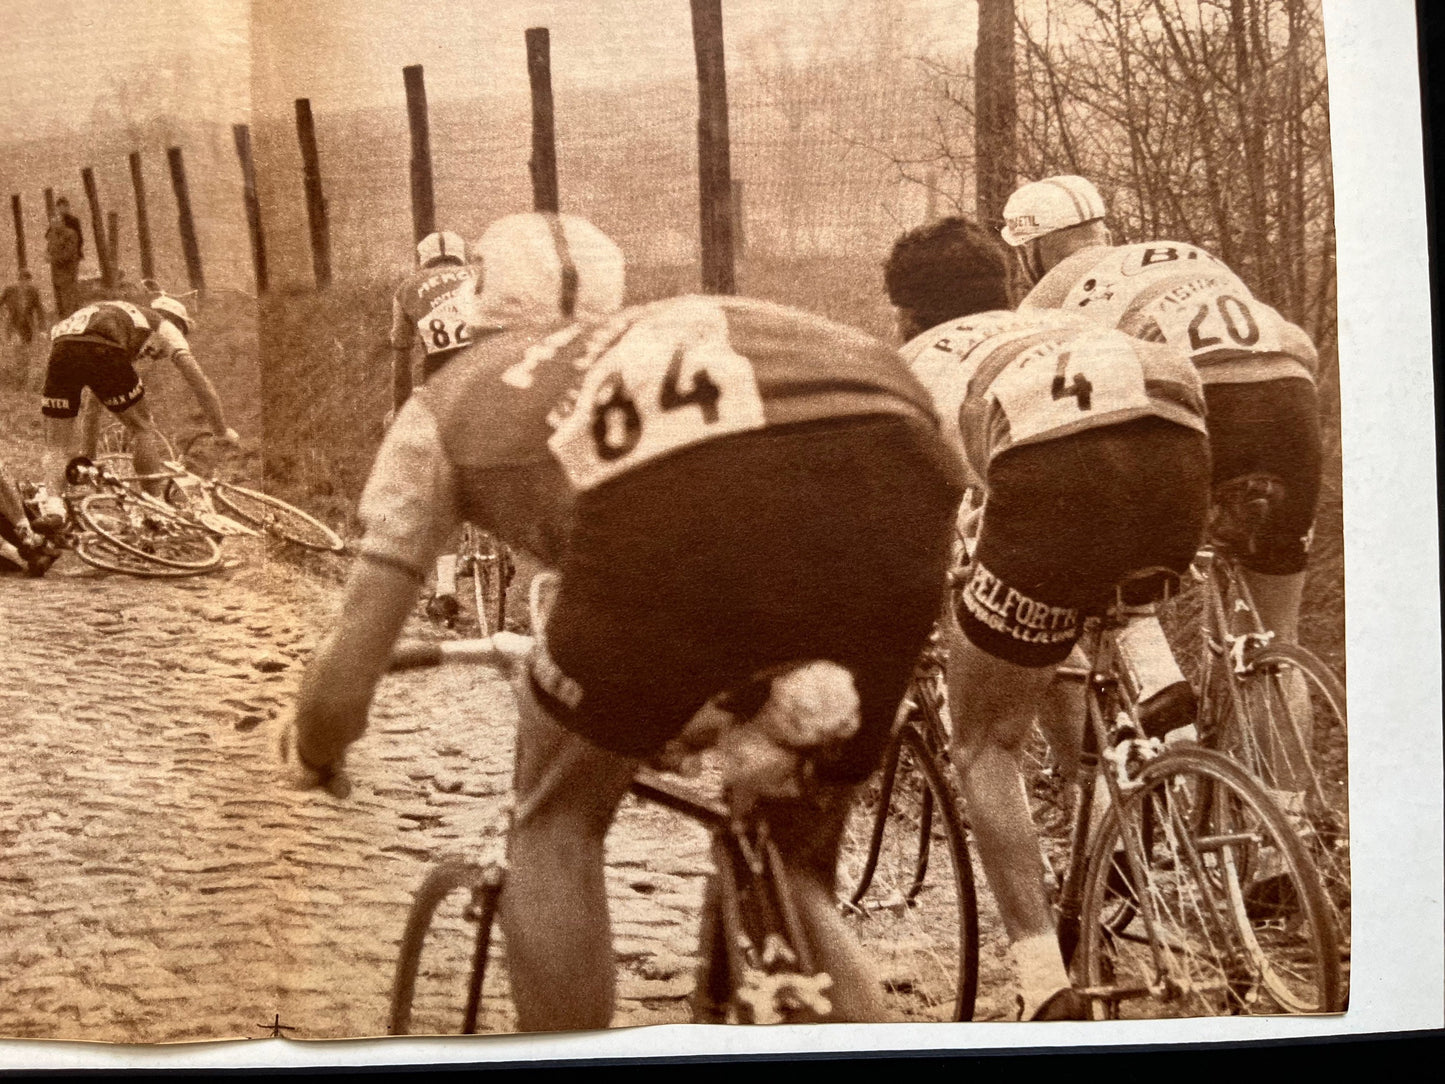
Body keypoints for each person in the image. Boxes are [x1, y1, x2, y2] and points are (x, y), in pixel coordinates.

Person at [281, 211, 966, 1031]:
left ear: (477, 309)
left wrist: (317, 745)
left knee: (557, 817)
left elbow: (348, 676)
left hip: (680, 517)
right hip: (899, 465)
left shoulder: (445, 403)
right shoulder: (673, 325)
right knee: (790, 869)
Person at [884, 214, 1212, 1019]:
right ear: (1002, 284)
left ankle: (1040, 982)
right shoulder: (1057, 317)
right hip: (1180, 441)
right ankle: (1136, 733)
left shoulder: (909, 365)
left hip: (1052, 472)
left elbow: (904, 537)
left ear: (904, 312)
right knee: (1087, 595)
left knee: (985, 743)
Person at [1000, 174, 1325, 719]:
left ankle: (1160, 692)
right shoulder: (1188, 255)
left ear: (1031, 251)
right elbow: (1300, 347)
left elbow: (1031, 411)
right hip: (1289, 404)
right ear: (1102, 231)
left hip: (1198, 413)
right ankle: (1288, 804)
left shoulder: (1048, 296)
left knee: (1114, 579)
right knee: (1274, 646)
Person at [40, 295, 239, 497]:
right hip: (103, 348)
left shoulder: (119, 313)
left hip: (61, 348)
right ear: (177, 323)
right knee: (143, 428)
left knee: (56, 445)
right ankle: (155, 502)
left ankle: (53, 506)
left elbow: (93, 406)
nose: (156, 357)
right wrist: (221, 430)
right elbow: (200, 383)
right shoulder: (165, 325)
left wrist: (89, 457)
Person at [386, 229, 484, 622]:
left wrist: (400, 409)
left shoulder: (407, 289)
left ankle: (445, 590)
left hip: (442, 388)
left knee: (443, 487)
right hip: (489, 380)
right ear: (460, 258)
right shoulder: (479, 277)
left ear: (422, 261)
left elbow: (400, 359)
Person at [1, 270, 47, 388]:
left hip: (27, 327)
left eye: (27, 282)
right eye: (22, 281)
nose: (25, 285)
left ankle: (23, 380)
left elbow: (39, 310)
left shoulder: (33, 292)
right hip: (13, 325)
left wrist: (42, 329)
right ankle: (16, 381)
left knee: (25, 353)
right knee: (17, 351)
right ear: (19, 280)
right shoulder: (9, 290)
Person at [45, 203, 83, 320]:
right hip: (56, 271)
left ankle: (72, 319)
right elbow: (49, 248)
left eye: (56, 223)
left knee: (69, 297)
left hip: (68, 270)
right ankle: (62, 320)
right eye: (52, 224)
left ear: (62, 223)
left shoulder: (71, 234)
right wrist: (47, 254)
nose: (54, 226)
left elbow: (69, 253)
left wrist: (53, 259)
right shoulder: (52, 235)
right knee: (59, 297)